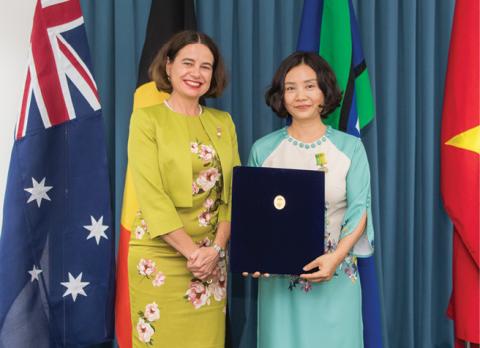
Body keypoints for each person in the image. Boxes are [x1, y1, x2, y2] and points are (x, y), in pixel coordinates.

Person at [247, 51, 374, 347]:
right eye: (290, 88)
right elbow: (253, 215)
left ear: (324, 92)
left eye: (309, 86)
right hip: (279, 285)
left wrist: (335, 258)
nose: (300, 95)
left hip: (336, 275)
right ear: (281, 95)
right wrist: (253, 255)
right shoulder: (262, 150)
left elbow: (359, 211)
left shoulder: (350, 148)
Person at [127, 30, 240, 347]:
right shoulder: (146, 120)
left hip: (211, 259)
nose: (197, 73)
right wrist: (193, 254)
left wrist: (215, 250)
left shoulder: (224, 122)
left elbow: (233, 194)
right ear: (168, 66)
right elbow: (151, 196)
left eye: (206, 66)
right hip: (159, 255)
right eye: (188, 62)